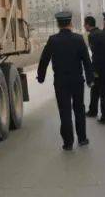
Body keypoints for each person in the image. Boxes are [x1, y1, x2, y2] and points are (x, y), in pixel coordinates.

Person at [37, 11, 94, 150]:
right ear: (70, 23)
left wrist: (41, 77)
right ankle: (82, 139)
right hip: (77, 81)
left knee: (65, 111)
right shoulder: (79, 39)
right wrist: (90, 79)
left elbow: (44, 60)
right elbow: (87, 61)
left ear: (58, 24)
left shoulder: (52, 40)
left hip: (61, 82)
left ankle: (68, 143)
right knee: (79, 109)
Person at [83, 16, 103, 118]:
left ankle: (93, 111)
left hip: (97, 66)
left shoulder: (92, 35)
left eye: (84, 24)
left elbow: (94, 51)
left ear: (88, 25)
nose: (83, 26)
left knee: (95, 90)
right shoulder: (101, 32)